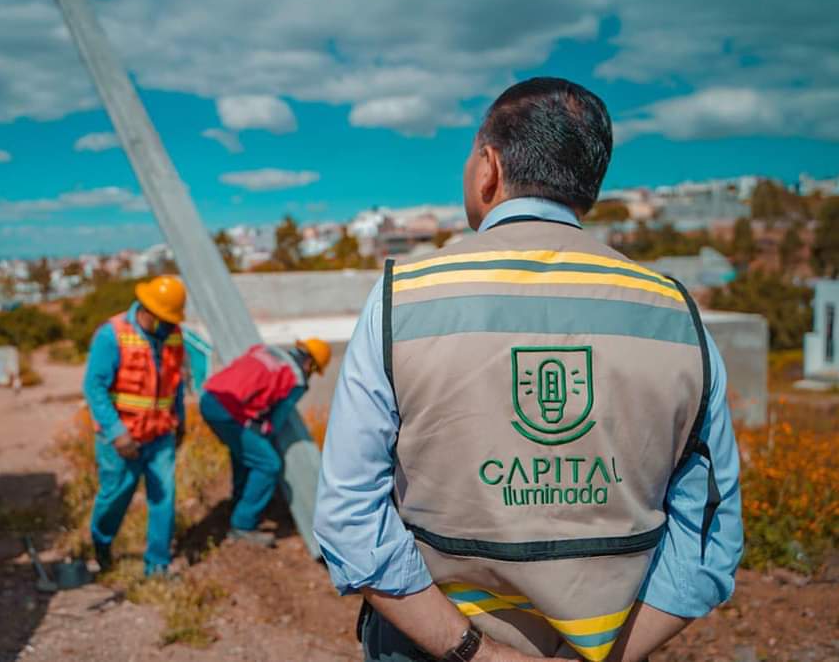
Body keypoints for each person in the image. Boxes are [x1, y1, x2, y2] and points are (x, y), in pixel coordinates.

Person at [313, 77, 743, 662]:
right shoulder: (675, 313)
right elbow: (708, 541)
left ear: (488, 168)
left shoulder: (402, 299)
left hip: (429, 648)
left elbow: (349, 518)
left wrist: (476, 652)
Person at [84, 275, 187, 577]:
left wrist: (179, 419)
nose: (170, 326)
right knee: (116, 495)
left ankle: (157, 565)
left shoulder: (173, 335)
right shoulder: (112, 335)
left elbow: (176, 382)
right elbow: (94, 387)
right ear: (147, 311)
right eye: (165, 320)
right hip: (121, 438)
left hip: (159, 435)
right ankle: (101, 542)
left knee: (164, 496)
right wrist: (117, 433)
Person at [199, 338, 332, 547]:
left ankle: (240, 499)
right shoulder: (296, 378)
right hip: (227, 411)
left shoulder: (266, 350)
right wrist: (264, 432)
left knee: (245, 453)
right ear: (310, 365)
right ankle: (243, 524)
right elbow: (276, 421)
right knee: (268, 463)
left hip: (209, 397)